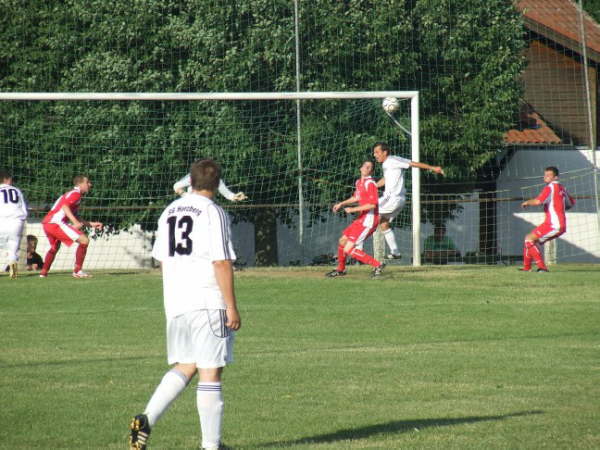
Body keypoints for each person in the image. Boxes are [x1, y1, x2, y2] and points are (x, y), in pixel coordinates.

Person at [129, 159, 241, 450]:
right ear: (217, 184)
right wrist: (231, 305)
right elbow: (220, 261)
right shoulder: (213, 212)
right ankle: (210, 445)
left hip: (177, 302)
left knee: (187, 364)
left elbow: (162, 258)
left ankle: (147, 419)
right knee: (211, 371)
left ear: (189, 181)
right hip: (207, 300)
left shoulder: (169, 210)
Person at [372, 142, 445, 259]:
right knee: (384, 224)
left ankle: (355, 247)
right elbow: (386, 179)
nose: (374, 155)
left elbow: (412, 163)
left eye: (377, 152)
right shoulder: (387, 164)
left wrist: (432, 168)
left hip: (392, 199)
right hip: (396, 200)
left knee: (367, 213)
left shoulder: (392, 160)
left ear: (385, 152)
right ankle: (395, 252)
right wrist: (373, 186)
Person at [325, 160, 385, 278]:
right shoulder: (359, 182)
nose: (365, 168)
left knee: (348, 249)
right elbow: (356, 197)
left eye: (369, 167)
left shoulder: (371, 183)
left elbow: (373, 205)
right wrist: (341, 204)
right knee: (342, 241)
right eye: (364, 166)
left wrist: (353, 210)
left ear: (371, 171)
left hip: (369, 220)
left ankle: (378, 265)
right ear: (360, 168)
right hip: (361, 218)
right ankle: (340, 269)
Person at [39, 175, 103, 278]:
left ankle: (43, 273)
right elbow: (65, 207)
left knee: (54, 247)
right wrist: (75, 223)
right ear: (80, 184)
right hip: (55, 223)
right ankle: (78, 271)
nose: (90, 185)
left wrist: (91, 224)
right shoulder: (75, 194)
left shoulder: (74, 195)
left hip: (48, 223)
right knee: (84, 240)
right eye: (88, 182)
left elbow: (75, 215)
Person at [520, 166, 575, 272]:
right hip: (559, 224)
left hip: (553, 224)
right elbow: (571, 204)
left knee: (529, 240)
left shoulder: (550, 187)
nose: (545, 177)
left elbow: (538, 201)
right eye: (545, 175)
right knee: (529, 239)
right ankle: (526, 268)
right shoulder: (562, 188)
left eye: (548, 175)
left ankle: (542, 268)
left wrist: (527, 202)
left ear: (556, 177)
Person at [0, 170, 28, 279]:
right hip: (16, 222)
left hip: (2, 220)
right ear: (6, 179)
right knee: (13, 247)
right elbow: (23, 208)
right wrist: (22, 219)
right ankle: (13, 272)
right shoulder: (16, 190)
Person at [173, 172, 247, 202]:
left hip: (206, 206)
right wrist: (188, 196)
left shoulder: (216, 179)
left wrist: (234, 197)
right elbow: (176, 186)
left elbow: (227, 194)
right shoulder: (193, 177)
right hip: (190, 206)